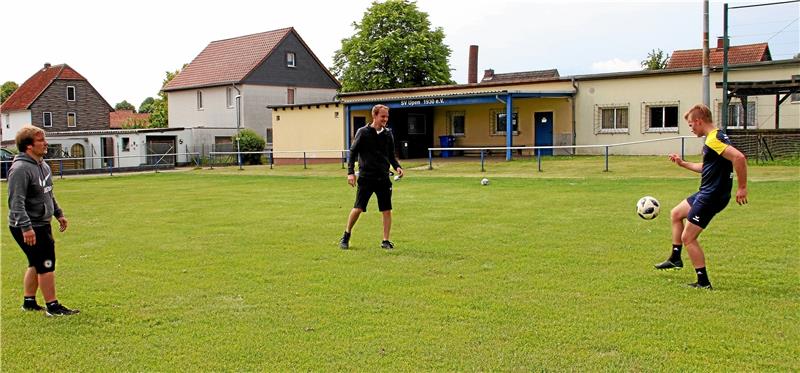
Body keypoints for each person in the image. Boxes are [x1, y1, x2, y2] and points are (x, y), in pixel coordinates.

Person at [654, 104, 748, 290]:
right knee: (676, 213)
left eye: (691, 125)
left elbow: (739, 158)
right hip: (707, 192)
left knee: (688, 237)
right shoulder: (715, 137)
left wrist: (742, 187)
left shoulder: (714, 140)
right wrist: (682, 164)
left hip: (712, 196)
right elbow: (706, 168)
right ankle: (675, 258)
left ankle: (703, 282)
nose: (691, 128)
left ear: (699, 121)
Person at [8, 125, 79, 316]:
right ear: (29, 146)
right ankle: (53, 307)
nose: (45, 143)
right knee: (46, 264)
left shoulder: (43, 165)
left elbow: (48, 193)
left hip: (42, 223)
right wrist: (26, 227)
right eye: (41, 140)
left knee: (36, 262)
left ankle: (29, 301)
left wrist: (58, 214)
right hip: (29, 226)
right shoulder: (21, 169)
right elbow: (16, 202)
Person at [339, 104, 404, 250]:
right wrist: (350, 173)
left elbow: (391, 155)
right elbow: (353, 152)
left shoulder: (388, 134)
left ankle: (385, 241)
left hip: (383, 178)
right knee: (358, 208)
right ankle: (346, 235)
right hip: (366, 178)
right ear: (374, 116)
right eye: (382, 116)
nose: (385, 119)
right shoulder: (363, 132)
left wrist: (397, 166)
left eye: (387, 117)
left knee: (386, 210)